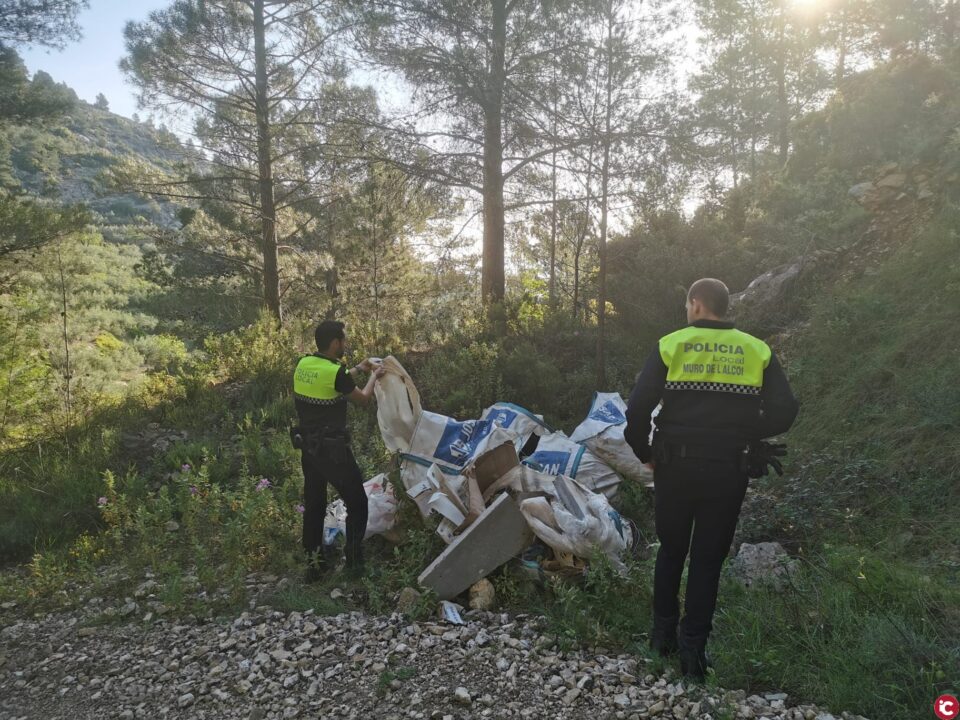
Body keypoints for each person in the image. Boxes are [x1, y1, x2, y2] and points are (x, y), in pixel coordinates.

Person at [624, 278, 798, 680]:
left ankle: (661, 639)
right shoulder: (757, 350)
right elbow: (785, 410)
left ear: (697, 304)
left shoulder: (672, 344)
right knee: (707, 560)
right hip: (728, 469)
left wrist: (645, 452)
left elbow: (636, 411)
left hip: (674, 467)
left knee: (671, 551)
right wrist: (747, 432)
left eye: (688, 306)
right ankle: (693, 655)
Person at [291, 320, 384, 582]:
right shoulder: (336, 372)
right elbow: (363, 400)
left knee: (315, 504)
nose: (345, 344)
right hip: (333, 450)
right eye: (343, 340)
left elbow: (329, 382)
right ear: (335, 343)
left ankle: (314, 564)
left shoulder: (303, 365)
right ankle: (354, 565)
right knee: (357, 503)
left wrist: (357, 368)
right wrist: (373, 376)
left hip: (308, 448)